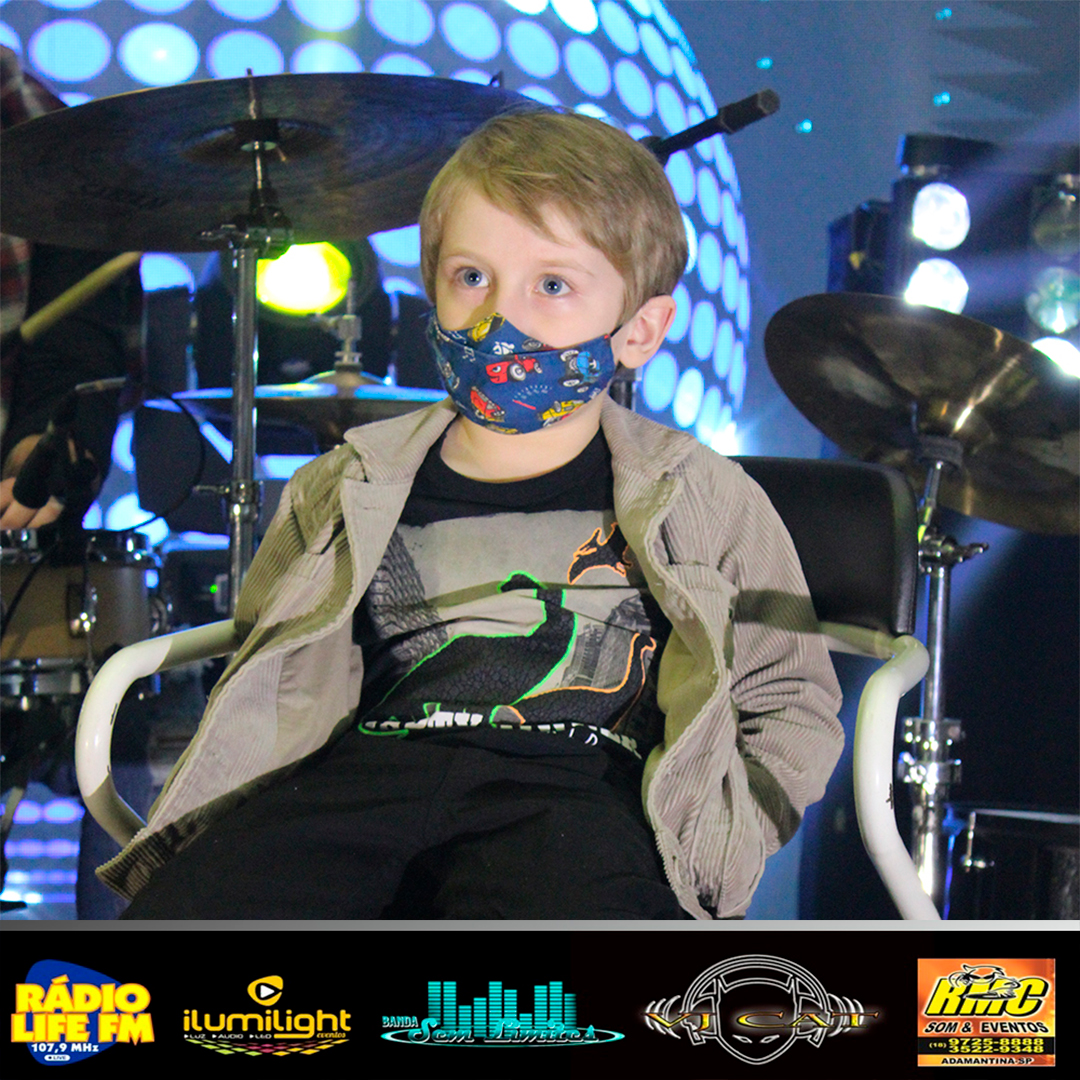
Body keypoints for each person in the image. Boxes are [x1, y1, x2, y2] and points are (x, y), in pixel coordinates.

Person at [107, 110, 843, 920]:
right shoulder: (344, 483)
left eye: (552, 285)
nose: (501, 321)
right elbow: (267, 655)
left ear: (640, 330)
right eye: (470, 277)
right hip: (367, 778)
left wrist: (720, 845)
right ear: (431, 290)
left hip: (577, 795)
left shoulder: (704, 495)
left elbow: (789, 695)